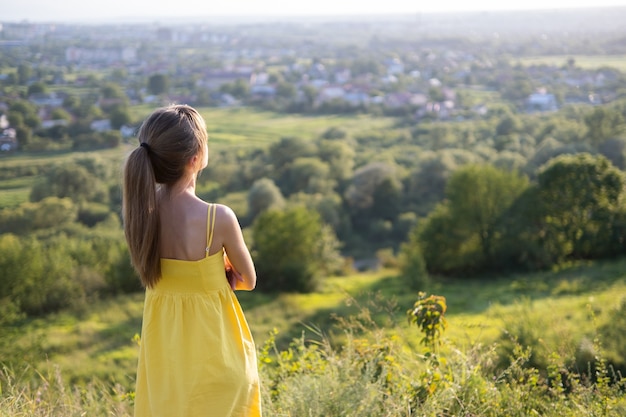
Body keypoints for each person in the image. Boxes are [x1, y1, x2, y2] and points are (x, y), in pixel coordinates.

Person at [122, 104, 261, 417]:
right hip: (219, 359)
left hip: (166, 368)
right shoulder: (218, 218)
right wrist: (220, 269)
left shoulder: (141, 216)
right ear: (196, 158)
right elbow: (249, 281)